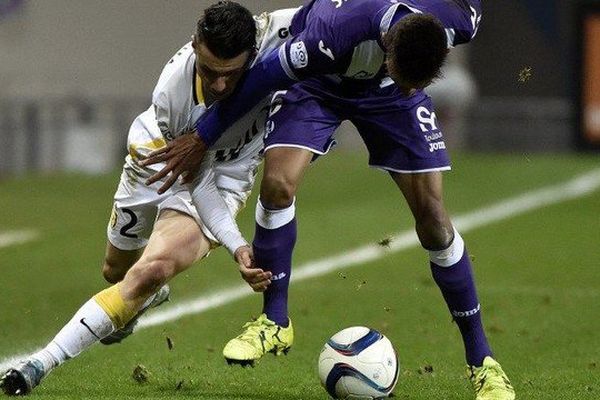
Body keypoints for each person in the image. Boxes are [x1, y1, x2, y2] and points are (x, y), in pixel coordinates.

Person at [142, 1, 516, 399]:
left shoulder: (456, 21)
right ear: (387, 46)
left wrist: (402, 85)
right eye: (407, 76)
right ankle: (274, 320)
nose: (413, 86)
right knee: (278, 183)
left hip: (389, 97)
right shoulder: (328, 33)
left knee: (435, 221)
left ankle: (483, 363)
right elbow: (263, 77)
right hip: (319, 83)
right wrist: (202, 136)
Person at [0, 2, 297, 395]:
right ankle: (147, 295)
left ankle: (40, 363)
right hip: (157, 159)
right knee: (115, 271)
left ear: (252, 51)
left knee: (151, 270)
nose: (221, 86)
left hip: (224, 176)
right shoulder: (173, 94)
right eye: (210, 73)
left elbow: (337, 13)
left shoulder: (279, 30)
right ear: (195, 45)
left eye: (231, 75)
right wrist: (237, 244)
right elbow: (195, 179)